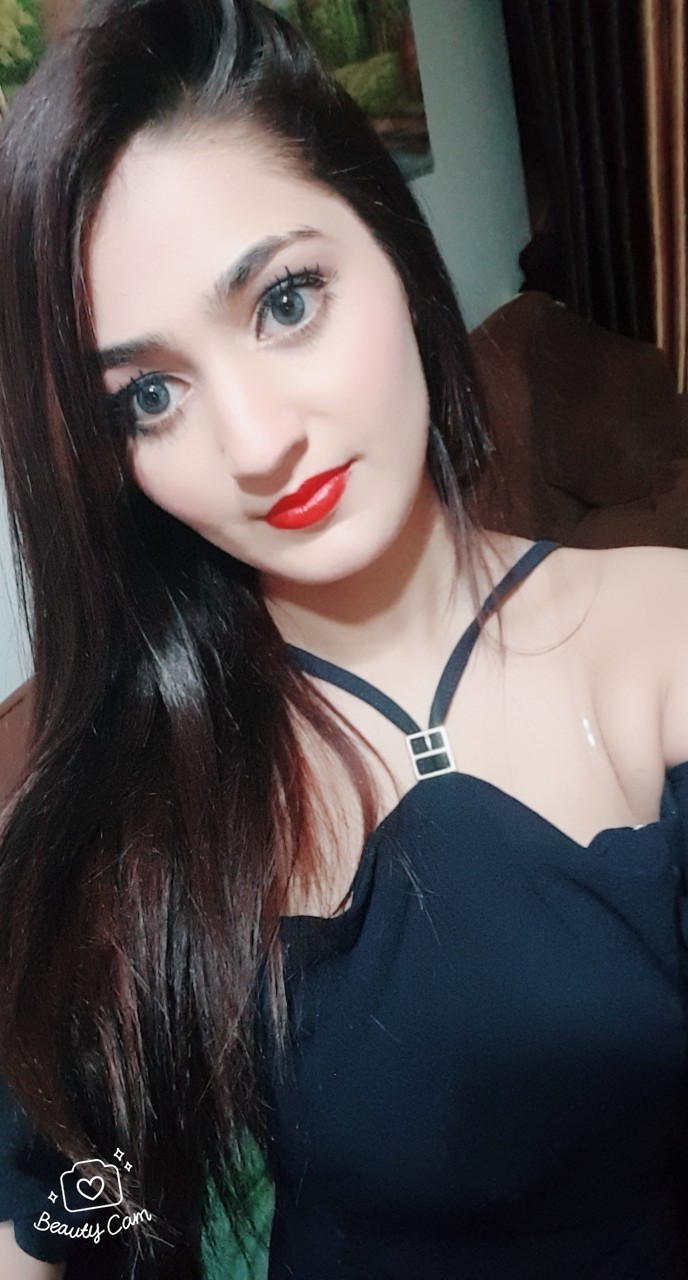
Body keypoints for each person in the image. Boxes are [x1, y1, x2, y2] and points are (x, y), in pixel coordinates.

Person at [1, 0, 688, 1276]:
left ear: (392, 245)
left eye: (285, 299)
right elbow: (57, 1210)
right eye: (148, 395)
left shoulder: (665, 639)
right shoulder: (139, 785)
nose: (257, 442)